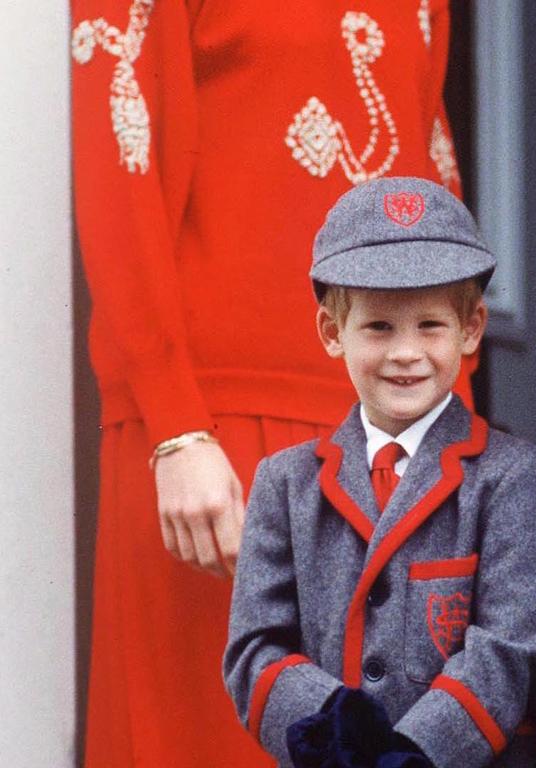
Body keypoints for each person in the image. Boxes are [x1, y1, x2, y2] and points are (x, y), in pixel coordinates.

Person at [70, 1, 470, 765]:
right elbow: (120, 178)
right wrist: (174, 425)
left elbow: (425, 180)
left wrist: (456, 432)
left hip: (384, 425)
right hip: (209, 430)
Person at [224, 177, 536, 768]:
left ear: (471, 329)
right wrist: (338, 734)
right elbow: (254, 649)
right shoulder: (282, 485)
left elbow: (513, 647)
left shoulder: (519, 480)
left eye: (430, 326)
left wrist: (414, 751)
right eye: (379, 327)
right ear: (333, 333)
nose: (405, 352)